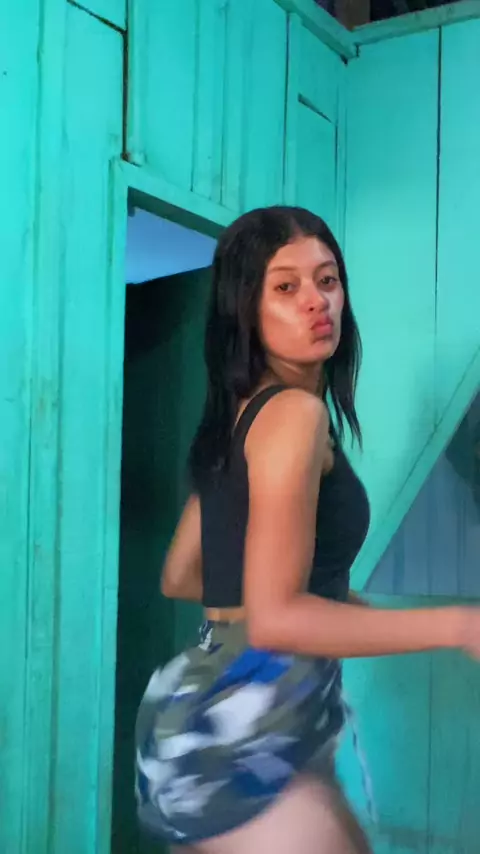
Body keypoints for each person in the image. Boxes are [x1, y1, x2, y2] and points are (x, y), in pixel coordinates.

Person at [134, 206, 480, 854]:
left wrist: (324, 598)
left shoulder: (240, 418)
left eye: (327, 280)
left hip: (219, 708)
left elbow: (183, 574)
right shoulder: (293, 416)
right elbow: (274, 619)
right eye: (285, 287)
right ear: (246, 310)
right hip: (249, 719)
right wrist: (461, 626)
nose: (316, 302)